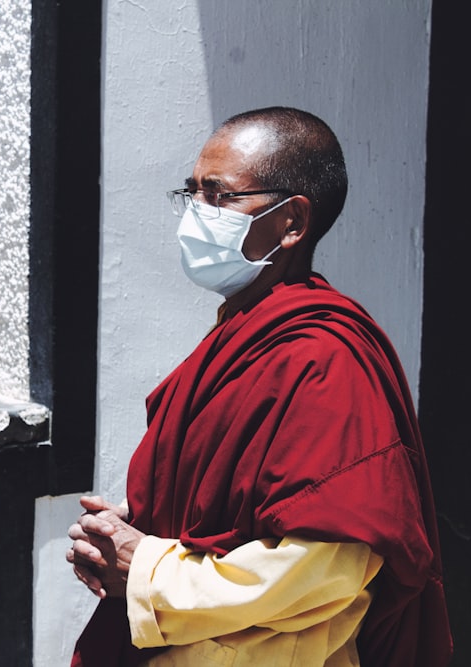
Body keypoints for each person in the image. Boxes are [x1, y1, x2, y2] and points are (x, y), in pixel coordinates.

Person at [66, 107, 451, 666]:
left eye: (219, 196)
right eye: (192, 191)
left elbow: (326, 568)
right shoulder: (242, 334)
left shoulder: (325, 356)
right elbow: (234, 496)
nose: (197, 212)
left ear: (292, 222)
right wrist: (131, 528)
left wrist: (147, 569)